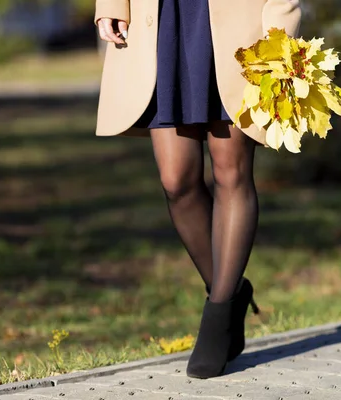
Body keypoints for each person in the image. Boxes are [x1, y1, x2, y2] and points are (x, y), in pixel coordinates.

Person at [94, 0, 301, 379]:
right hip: (160, 19)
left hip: (241, 24)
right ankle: (233, 292)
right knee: (176, 181)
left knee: (231, 171)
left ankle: (219, 310)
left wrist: (281, 28)